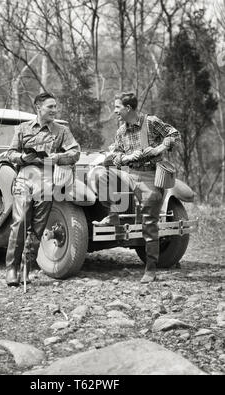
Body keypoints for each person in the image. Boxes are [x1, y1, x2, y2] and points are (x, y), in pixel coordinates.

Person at [93, 92, 181, 284]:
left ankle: (150, 268)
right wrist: (126, 158)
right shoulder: (120, 131)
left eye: (117, 107)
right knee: (101, 174)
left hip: (150, 176)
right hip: (129, 174)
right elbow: (114, 156)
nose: (115, 111)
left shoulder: (151, 122)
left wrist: (159, 149)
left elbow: (174, 134)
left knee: (150, 223)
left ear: (128, 108)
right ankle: (113, 216)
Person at [5, 92, 80, 286]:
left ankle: (26, 269)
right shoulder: (22, 129)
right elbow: (10, 153)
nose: (55, 110)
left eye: (55, 106)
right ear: (38, 108)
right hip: (24, 178)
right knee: (19, 223)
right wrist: (22, 158)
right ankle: (11, 269)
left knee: (38, 228)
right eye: (50, 107)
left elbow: (75, 152)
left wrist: (58, 158)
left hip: (47, 181)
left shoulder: (61, 131)